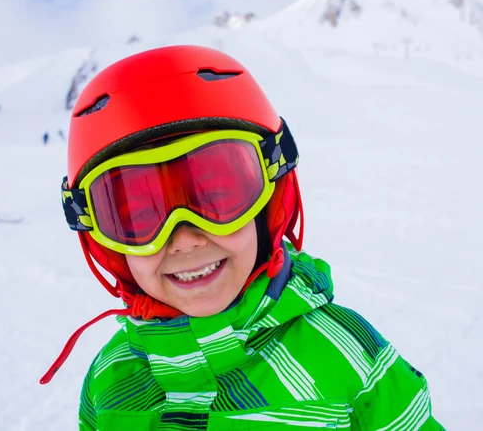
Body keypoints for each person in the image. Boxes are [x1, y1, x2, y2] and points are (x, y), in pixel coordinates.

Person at [41, 46, 443, 430]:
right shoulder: (110, 378)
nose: (183, 239)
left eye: (217, 198)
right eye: (140, 218)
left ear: (270, 204)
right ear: (105, 241)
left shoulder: (348, 355)